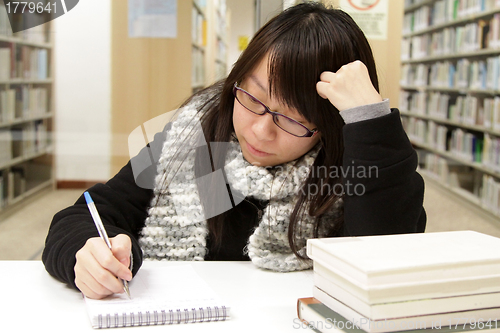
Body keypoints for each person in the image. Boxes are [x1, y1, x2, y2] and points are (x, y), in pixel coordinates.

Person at [42, 3, 426, 300]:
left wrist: (371, 122)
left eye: (293, 119)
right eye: (253, 99)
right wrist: (88, 253)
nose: (260, 130)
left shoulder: (355, 160)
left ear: (329, 127)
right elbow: (88, 214)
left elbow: (391, 264)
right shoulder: (192, 139)